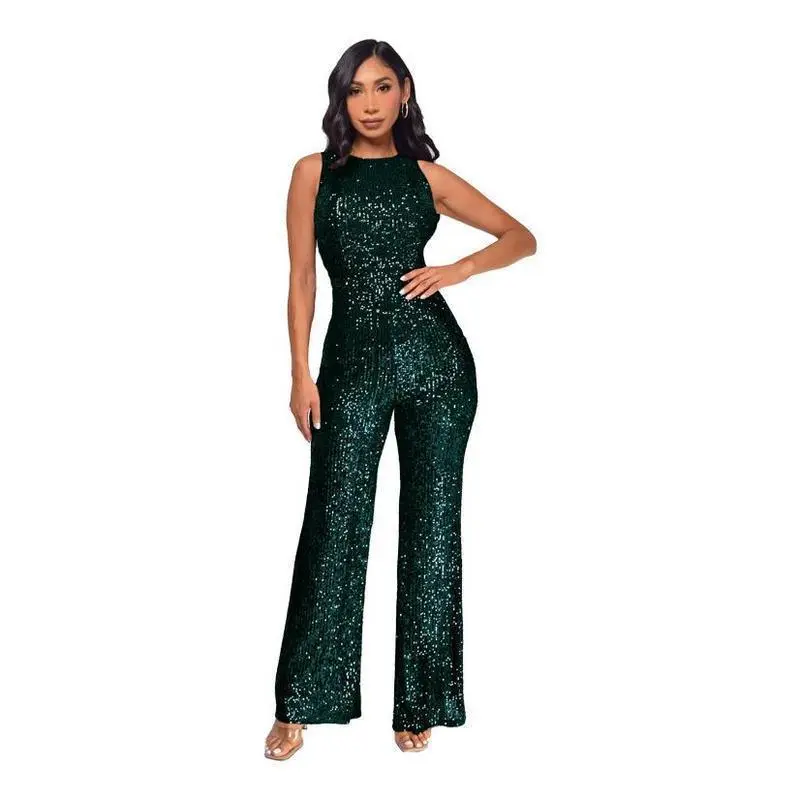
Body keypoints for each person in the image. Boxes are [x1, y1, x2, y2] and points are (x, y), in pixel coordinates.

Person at [265, 39, 536, 760]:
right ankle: (299, 703)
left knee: (432, 530)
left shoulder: (427, 177)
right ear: (341, 98)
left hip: (437, 366)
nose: (370, 103)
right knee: (334, 523)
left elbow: (521, 237)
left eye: (383, 87)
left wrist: (458, 269)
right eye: (356, 90)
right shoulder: (313, 172)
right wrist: (299, 373)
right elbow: (301, 279)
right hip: (349, 366)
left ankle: (422, 702)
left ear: (404, 92)